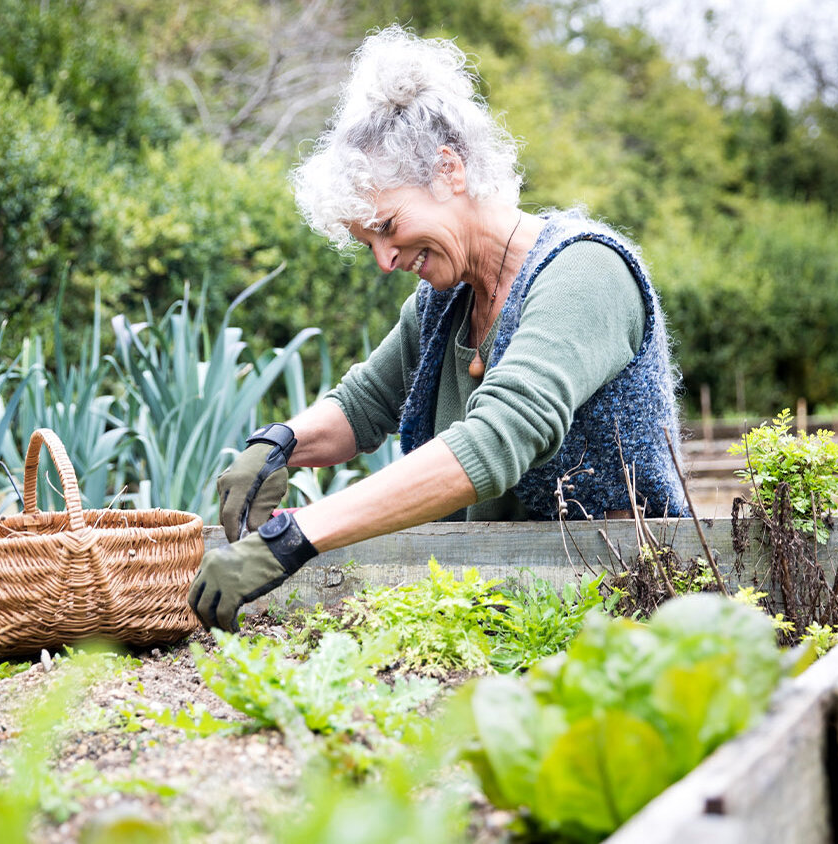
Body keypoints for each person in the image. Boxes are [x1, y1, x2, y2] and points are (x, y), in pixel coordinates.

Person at [187, 26, 688, 633]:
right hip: (508, 604)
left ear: (449, 171)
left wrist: (295, 538)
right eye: (367, 242)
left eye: (388, 225)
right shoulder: (443, 301)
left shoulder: (585, 271)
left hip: (623, 609)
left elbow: (498, 438)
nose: (384, 259)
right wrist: (277, 446)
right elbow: (365, 404)